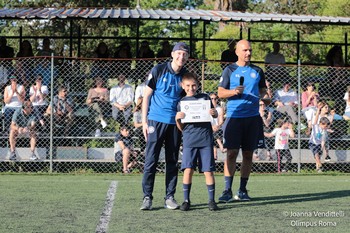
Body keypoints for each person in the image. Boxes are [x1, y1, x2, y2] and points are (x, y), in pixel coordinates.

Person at [217, 39, 270, 203]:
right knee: (231, 153)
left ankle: (242, 190)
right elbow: (220, 93)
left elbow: (263, 92)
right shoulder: (229, 70)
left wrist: (266, 99)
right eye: (245, 50)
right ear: (237, 52)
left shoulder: (258, 71)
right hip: (234, 117)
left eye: (250, 50)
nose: (248, 53)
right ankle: (227, 190)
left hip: (252, 118)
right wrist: (233, 92)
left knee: (248, 154)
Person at [140, 42, 189, 211]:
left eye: (184, 54)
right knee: (151, 160)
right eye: (179, 53)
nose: (181, 57)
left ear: (187, 57)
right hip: (155, 120)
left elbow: (188, 100)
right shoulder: (158, 70)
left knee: (172, 161)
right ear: (172, 54)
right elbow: (146, 97)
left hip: (174, 124)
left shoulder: (185, 76)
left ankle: (169, 197)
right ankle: (147, 197)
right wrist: (144, 122)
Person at [175, 72, 219, 211]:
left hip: (205, 139)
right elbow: (181, 127)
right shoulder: (181, 102)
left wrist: (214, 113)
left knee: (208, 170)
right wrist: (177, 119)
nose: (191, 88)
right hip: (189, 140)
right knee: (188, 170)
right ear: (182, 85)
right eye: (188, 85)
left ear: (198, 85)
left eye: (194, 85)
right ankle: (186, 200)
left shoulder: (205, 97)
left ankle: (211, 201)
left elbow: (215, 114)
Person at [309, 102, 331, 173]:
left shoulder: (324, 131)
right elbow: (316, 118)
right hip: (312, 143)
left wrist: (322, 147)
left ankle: (318, 168)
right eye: (325, 126)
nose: (326, 127)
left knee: (318, 155)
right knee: (316, 155)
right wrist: (318, 110)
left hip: (318, 144)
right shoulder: (315, 126)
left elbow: (323, 140)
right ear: (321, 124)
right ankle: (320, 165)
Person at [210, 92, 226, 159]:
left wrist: (217, 126)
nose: (214, 100)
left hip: (218, 128)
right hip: (209, 127)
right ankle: (221, 146)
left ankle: (215, 152)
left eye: (216, 99)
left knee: (215, 131)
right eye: (212, 98)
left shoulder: (220, 109)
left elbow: (221, 121)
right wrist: (212, 127)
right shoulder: (207, 108)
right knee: (212, 132)